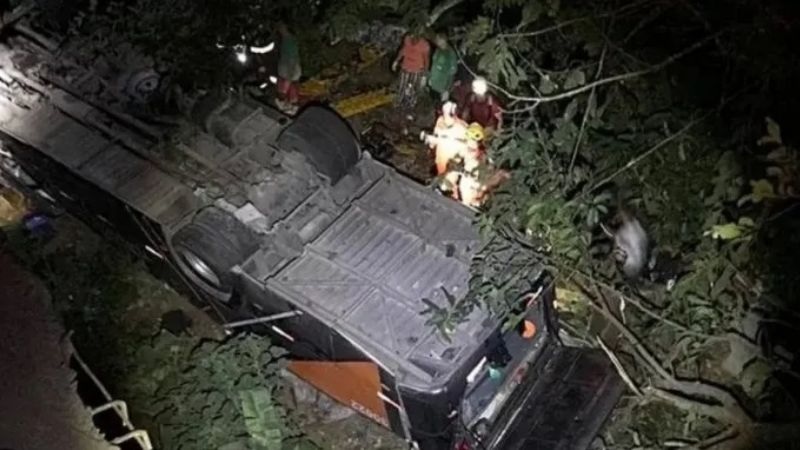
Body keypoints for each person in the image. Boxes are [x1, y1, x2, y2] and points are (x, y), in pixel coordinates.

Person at [421, 101, 468, 198]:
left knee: (449, 184)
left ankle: (453, 198)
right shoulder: (441, 121)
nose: (447, 118)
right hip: (441, 157)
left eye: (449, 115)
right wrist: (431, 140)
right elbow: (435, 137)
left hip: (453, 162)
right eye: (445, 114)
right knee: (440, 176)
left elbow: (467, 147)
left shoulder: (463, 127)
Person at [392, 30, 431, 111]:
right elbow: (403, 50)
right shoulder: (407, 39)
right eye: (411, 36)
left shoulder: (424, 45)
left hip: (417, 70)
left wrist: (424, 75)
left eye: (414, 36)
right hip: (405, 67)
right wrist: (396, 61)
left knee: (414, 88)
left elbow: (426, 60)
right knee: (402, 85)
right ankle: (399, 100)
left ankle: (411, 104)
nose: (412, 38)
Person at [276, 22, 302, 111]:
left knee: (288, 93)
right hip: (287, 74)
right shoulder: (286, 40)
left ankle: (290, 108)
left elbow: (292, 60)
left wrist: (289, 77)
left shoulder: (289, 42)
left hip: (288, 74)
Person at [427, 34, 458, 102]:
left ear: (443, 40)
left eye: (438, 39)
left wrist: (447, 90)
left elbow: (452, 74)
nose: (436, 41)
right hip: (433, 84)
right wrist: (429, 77)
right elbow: (433, 65)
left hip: (442, 88)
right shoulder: (438, 50)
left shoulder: (450, 54)